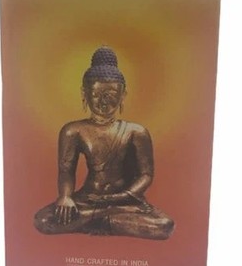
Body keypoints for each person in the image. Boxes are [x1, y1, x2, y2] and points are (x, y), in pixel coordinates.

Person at [34, 46, 174, 239]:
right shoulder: (73, 130)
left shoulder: (136, 131)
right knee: (43, 220)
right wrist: (65, 196)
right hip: (88, 199)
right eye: (96, 94)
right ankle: (107, 217)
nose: (103, 102)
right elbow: (66, 171)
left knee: (164, 225)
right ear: (84, 93)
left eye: (111, 95)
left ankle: (94, 219)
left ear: (123, 95)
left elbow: (146, 175)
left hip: (125, 201)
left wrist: (121, 197)